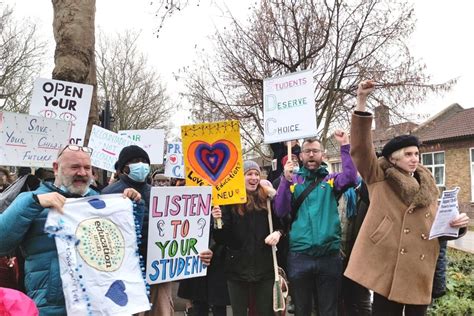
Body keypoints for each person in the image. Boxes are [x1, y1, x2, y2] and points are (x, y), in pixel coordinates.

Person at [345, 80, 470, 316]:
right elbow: (361, 148)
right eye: (408, 154)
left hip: (419, 269)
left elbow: (436, 227)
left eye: (416, 154)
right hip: (389, 267)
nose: (415, 159)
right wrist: (361, 101)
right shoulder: (378, 177)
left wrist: (457, 226)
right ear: (393, 158)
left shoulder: (428, 185)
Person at [0, 144, 141, 315]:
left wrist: (133, 205)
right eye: (74, 167)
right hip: (52, 307)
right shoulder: (33, 200)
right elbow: (2, 243)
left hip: (95, 303)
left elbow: (128, 243)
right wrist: (33, 202)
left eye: (87, 167)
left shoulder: (100, 202)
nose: (82, 172)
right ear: (56, 168)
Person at [273, 130, 357, 316]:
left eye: (315, 151)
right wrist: (285, 182)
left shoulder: (330, 181)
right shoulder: (292, 180)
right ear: (300, 155)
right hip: (300, 257)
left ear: (322, 155)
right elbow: (280, 210)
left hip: (329, 256)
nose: (311, 154)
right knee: (302, 310)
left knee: (328, 310)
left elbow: (351, 178)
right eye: (307, 151)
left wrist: (345, 145)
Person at [211, 161, 283, 316]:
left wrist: (278, 233)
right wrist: (218, 222)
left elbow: (283, 224)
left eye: (257, 174)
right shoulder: (229, 202)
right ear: (240, 177)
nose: (254, 177)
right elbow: (222, 238)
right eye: (249, 174)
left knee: (266, 312)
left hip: (265, 268)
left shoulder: (269, 200)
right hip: (237, 269)